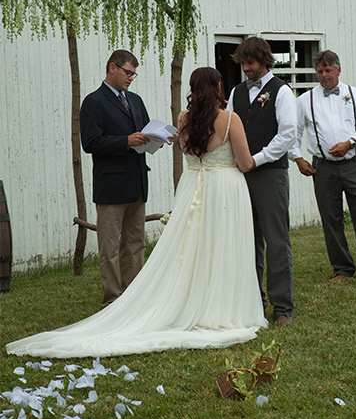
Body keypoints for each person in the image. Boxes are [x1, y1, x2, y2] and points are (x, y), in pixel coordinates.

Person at [7, 67, 267, 358]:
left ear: (194, 89)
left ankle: (192, 301)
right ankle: (221, 306)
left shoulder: (184, 119)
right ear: (219, 86)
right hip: (225, 188)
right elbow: (244, 163)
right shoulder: (230, 119)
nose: (131, 76)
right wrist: (266, 156)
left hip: (193, 185)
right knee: (223, 246)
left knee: (193, 246)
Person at [291, 50, 356, 285]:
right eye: (320, 71)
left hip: (354, 164)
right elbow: (293, 133)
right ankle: (342, 268)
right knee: (331, 218)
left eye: (328, 70)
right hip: (322, 168)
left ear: (338, 70)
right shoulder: (305, 100)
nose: (324, 75)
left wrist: (350, 142)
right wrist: (297, 159)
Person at [228, 37, 297, 325]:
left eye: (251, 63)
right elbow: (229, 127)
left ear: (265, 61)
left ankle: (282, 307)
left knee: (276, 239)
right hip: (241, 174)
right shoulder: (236, 93)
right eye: (243, 63)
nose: (246, 69)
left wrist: (258, 158)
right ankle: (254, 301)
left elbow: (288, 134)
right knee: (248, 239)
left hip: (270, 173)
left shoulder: (281, 92)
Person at [79, 49, 151, 307]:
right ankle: (113, 300)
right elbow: (90, 142)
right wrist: (125, 141)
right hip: (111, 185)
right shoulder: (93, 102)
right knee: (110, 246)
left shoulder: (136, 100)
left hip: (137, 182)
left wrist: (157, 138)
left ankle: (134, 297)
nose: (131, 78)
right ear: (112, 68)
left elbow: (143, 131)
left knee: (135, 243)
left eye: (134, 74)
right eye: (127, 72)